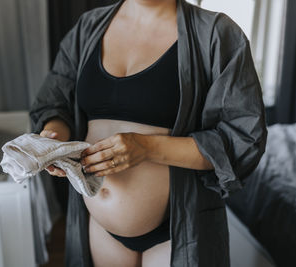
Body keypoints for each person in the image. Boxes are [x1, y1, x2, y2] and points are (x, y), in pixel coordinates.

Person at [30, 0, 268, 266]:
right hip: (97, 228)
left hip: (176, 229)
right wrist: (53, 140)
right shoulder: (88, 27)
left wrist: (146, 147)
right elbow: (56, 102)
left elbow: (242, 139)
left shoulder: (217, 34)